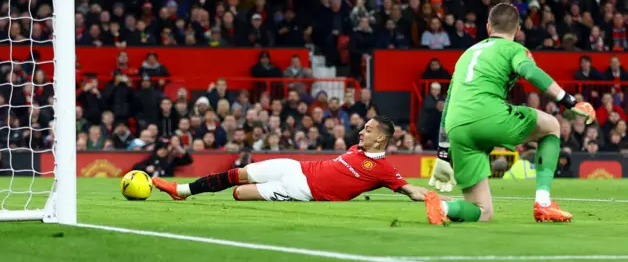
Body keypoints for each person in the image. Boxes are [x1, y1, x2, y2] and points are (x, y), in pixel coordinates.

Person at [426, 3, 593, 225]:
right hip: (489, 115)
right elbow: (530, 72)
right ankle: (543, 203)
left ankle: (443, 206)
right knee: (552, 125)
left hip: (457, 127)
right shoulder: (513, 49)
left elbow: (447, 105)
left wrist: (443, 154)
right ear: (517, 30)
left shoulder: (466, 55)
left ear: (488, 27)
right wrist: (568, 101)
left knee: (483, 211)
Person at [153, 115, 449, 202]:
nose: (361, 131)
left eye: (368, 129)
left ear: (381, 138)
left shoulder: (383, 169)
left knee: (239, 194)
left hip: (301, 190)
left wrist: (440, 202)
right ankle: (181, 191)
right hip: (295, 167)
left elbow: (412, 190)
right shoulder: (356, 149)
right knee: (239, 173)